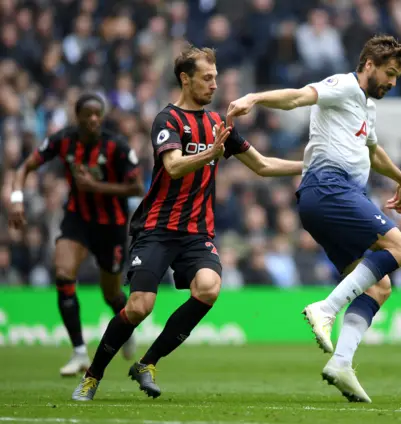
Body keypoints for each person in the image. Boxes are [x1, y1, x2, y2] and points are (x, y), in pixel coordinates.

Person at [71, 45, 303, 401]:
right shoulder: (168, 121)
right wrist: (212, 152)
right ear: (185, 78)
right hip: (157, 230)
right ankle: (92, 375)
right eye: (207, 78)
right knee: (139, 308)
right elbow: (174, 166)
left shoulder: (217, 124)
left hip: (196, 233)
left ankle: (148, 363)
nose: (215, 85)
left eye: (216, 78)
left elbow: (263, 165)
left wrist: (309, 165)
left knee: (209, 288)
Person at [226, 34, 401, 402]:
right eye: (389, 73)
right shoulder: (343, 85)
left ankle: (341, 363)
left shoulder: (366, 107)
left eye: (397, 77)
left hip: (335, 196)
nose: (392, 83)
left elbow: (373, 152)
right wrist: (255, 97)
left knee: (379, 287)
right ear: (369, 65)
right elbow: (298, 97)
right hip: (330, 188)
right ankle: (325, 309)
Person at [9, 93, 143, 376]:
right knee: (63, 274)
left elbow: (137, 188)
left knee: (111, 295)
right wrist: (17, 198)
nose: (93, 119)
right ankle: (79, 351)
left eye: (98, 114)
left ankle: (126, 329)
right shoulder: (63, 140)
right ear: (77, 116)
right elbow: (25, 167)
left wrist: (97, 187)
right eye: (88, 114)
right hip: (78, 221)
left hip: (111, 227)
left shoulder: (116, 146)